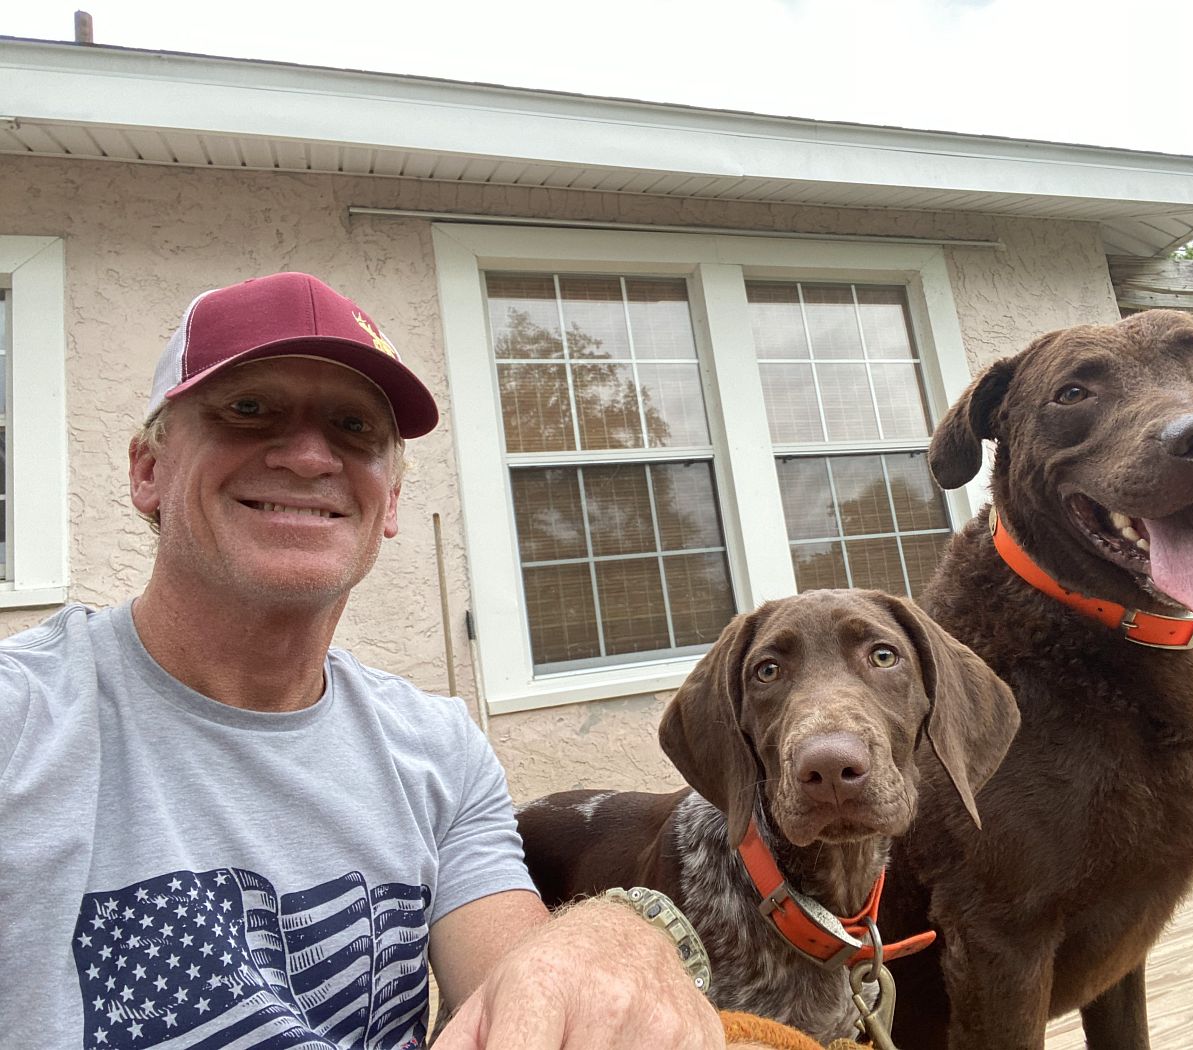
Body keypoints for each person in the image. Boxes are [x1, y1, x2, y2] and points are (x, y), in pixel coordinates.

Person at [0, 272, 740, 1050]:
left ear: (388, 505)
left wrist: (619, 937)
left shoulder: (439, 752)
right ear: (147, 471)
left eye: (354, 427)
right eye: (249, 409)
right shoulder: (24, 724)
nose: (310, 455)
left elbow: (522, 981)